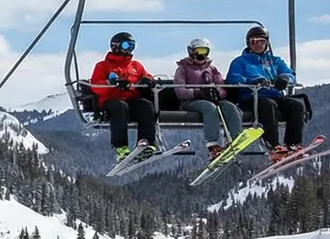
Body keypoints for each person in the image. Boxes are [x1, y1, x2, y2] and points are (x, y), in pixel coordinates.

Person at [225, 25, 304, 162]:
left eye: (261, 41)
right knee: (268, 104)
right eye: (254, 41)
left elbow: (290, 75)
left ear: (267, 42)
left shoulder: (275, 61)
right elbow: (233, 78)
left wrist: (285, 78)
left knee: (297, 105)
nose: (258, 45)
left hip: (275, 94)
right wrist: (253, 81)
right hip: (252, 97)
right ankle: (273, 145)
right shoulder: (241, 62)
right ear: (248, 43)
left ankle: (292, 144)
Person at [88, 31, 158, 162]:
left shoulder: (135, 66)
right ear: (116, 46)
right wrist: (111, 83)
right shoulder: (103, 66)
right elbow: (95, 86)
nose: (129, 49)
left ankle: (147, 143)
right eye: (126, 45)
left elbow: (147, 76)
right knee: (120, 106)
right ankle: (120, 146)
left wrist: (148, 80)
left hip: (131, 99)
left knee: (146, 106)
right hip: (110, 101)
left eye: (132, 46)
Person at [172, 38, 246, 161]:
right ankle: (213, 145)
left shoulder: (212, 69)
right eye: (198, 51)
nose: (201, 54)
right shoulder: (183, 69)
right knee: (209, 108)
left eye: (204, 51)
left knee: (231, 108)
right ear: (191, 52)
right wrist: (199, 92)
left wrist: (217, 93)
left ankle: (235, 139)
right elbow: (180, 91)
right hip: (190, 102)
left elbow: (222, 88)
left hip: (212, 100)